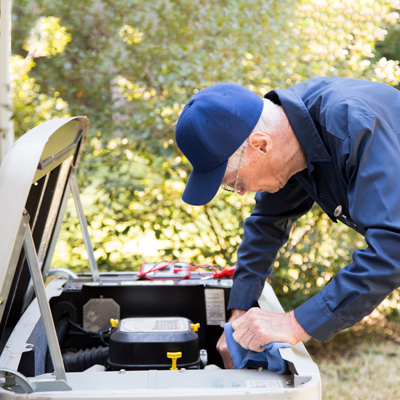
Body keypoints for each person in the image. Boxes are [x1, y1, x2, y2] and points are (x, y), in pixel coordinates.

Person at [174, 77, 400, 369]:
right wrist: (240, 311)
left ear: (261, 146)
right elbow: (268, 221)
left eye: (234, 181)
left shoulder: (354, 125)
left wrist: (294, 324)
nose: (241, 191)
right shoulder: (290, 133)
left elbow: (393, 247)